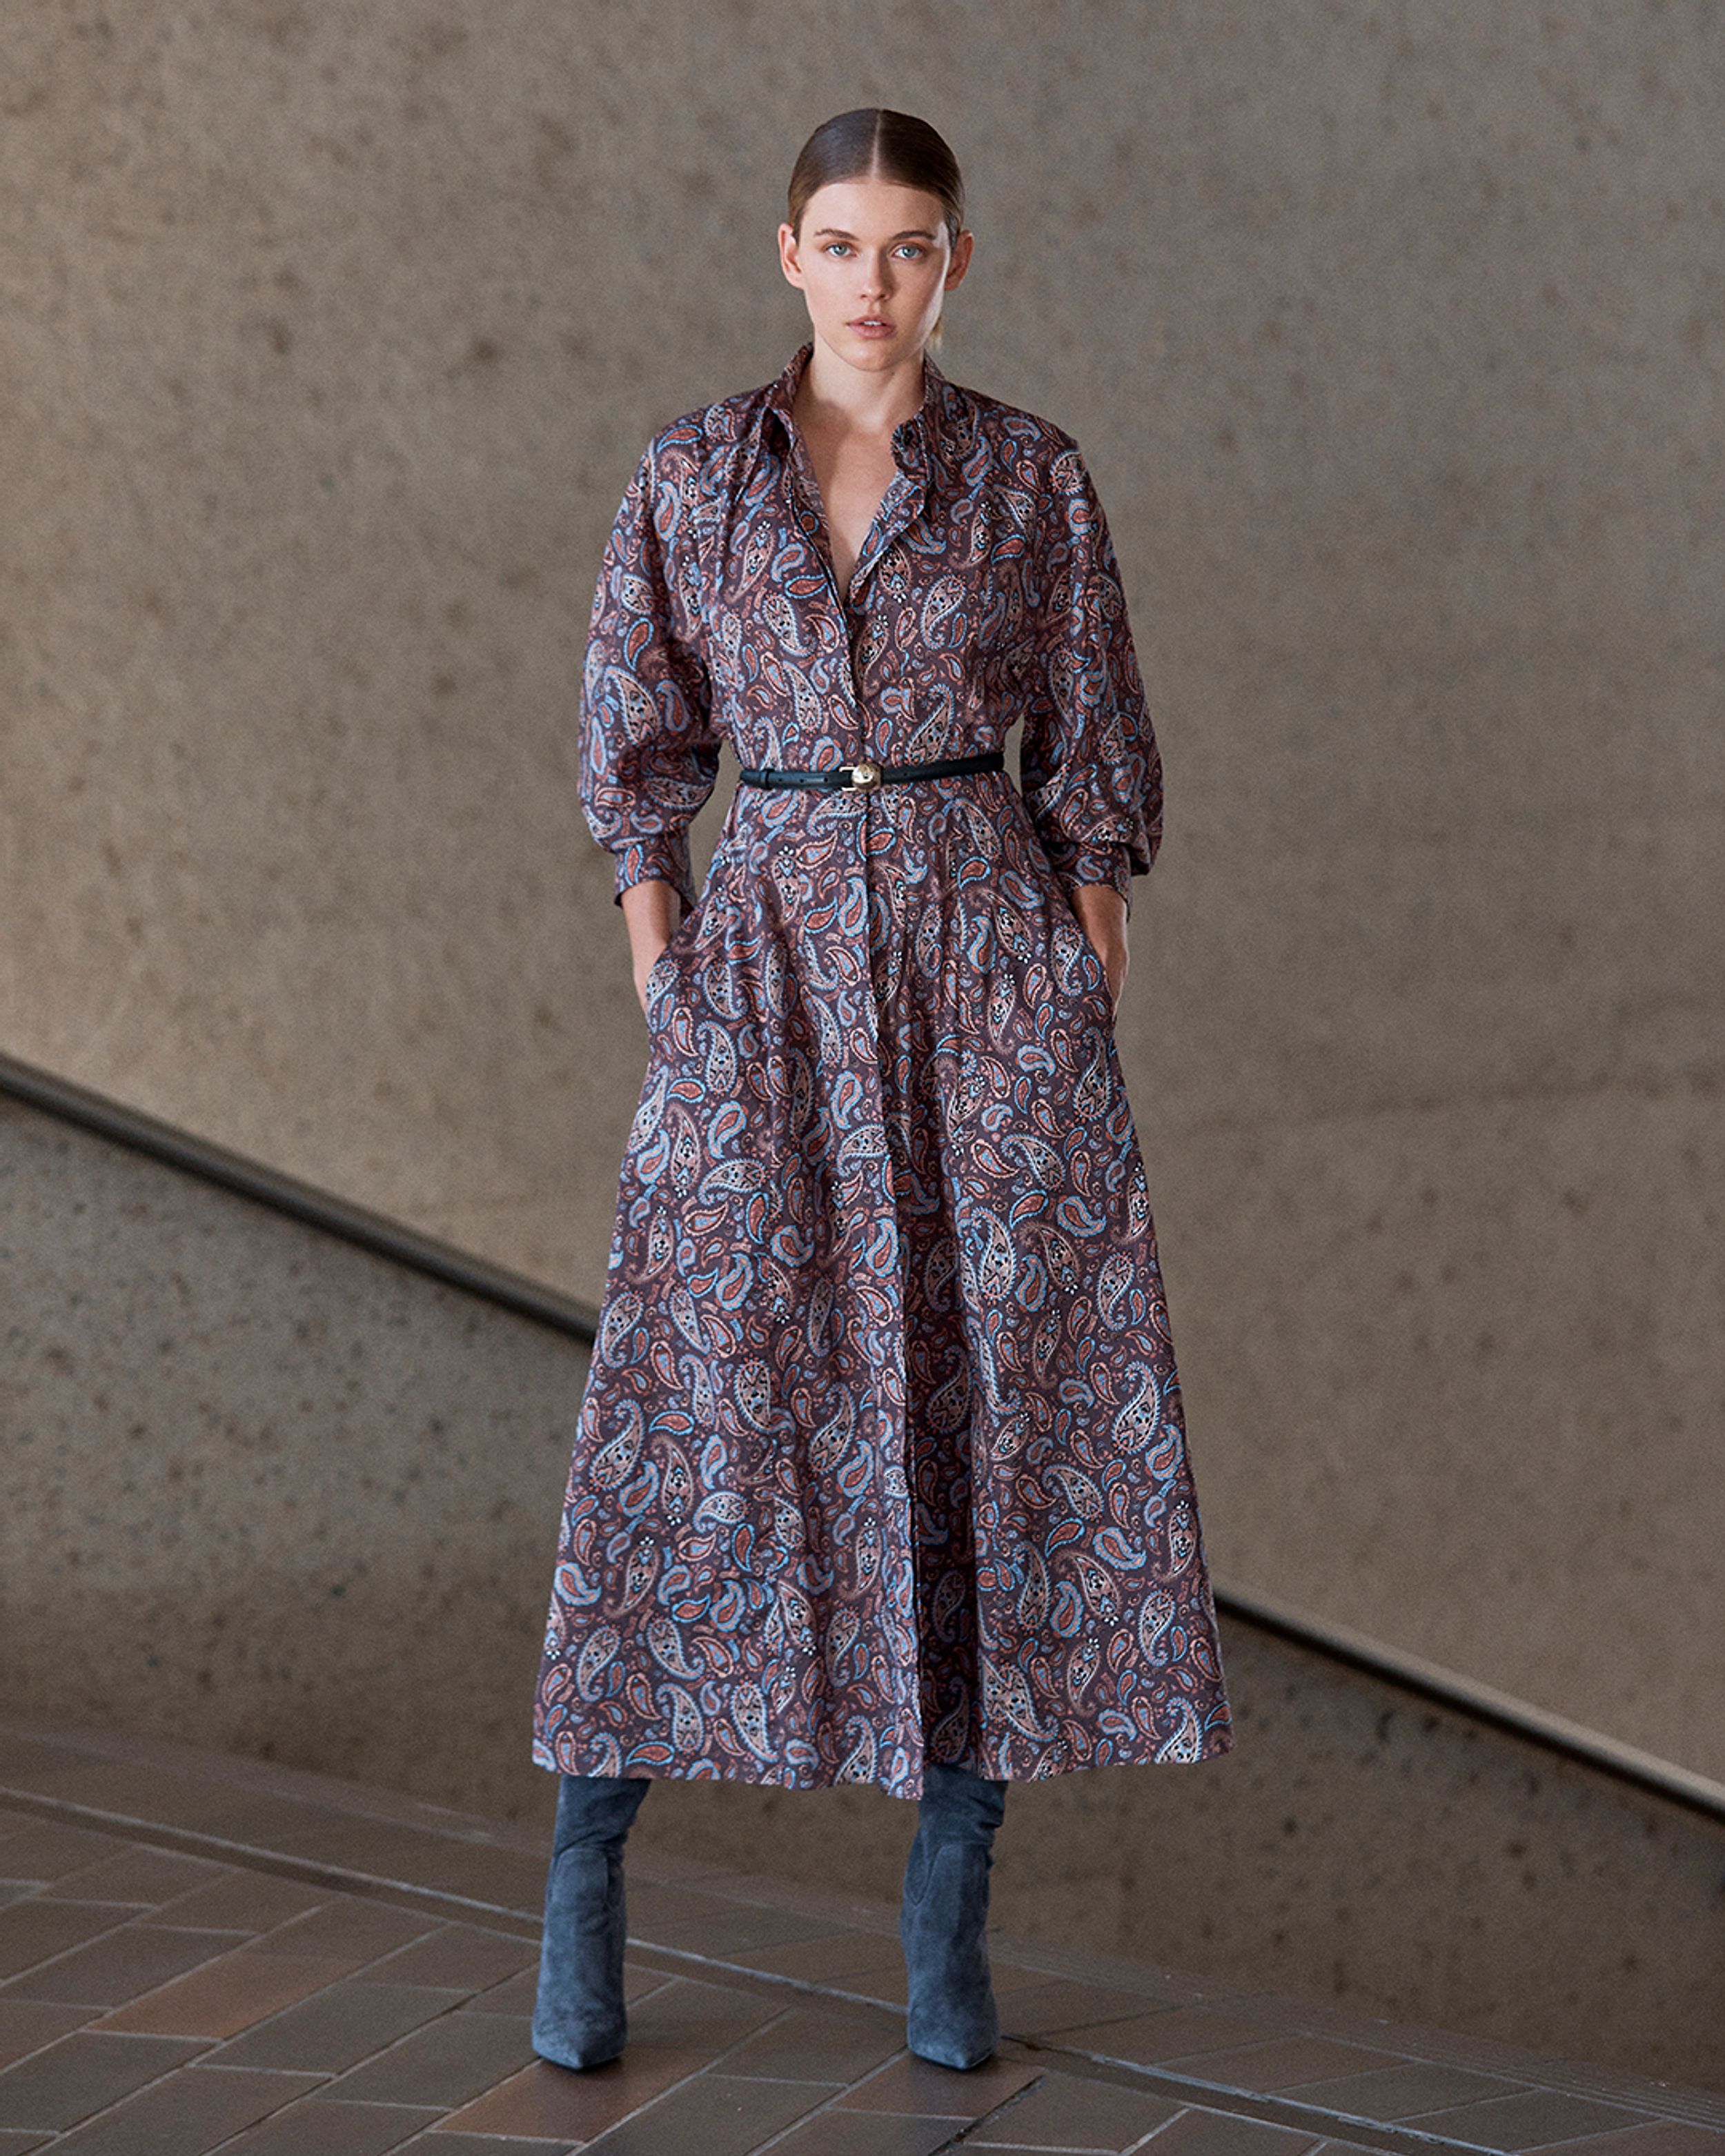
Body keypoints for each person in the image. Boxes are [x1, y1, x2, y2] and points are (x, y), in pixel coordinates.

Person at [530, 107, 1233, 2077]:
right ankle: (583, 1883)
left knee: (979, 1409)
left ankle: (948, 1921)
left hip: (978, 965)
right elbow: (631, 732)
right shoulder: (692, 471)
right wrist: (659, 948)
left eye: (906, 245)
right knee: (686, 1407)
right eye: (837, 243)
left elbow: (1092, 720)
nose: (870, 278)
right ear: (785, 255)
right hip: (757, 976)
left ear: (953, 263)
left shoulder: (1026, 478)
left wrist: (1086, 932)